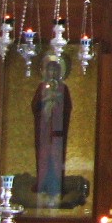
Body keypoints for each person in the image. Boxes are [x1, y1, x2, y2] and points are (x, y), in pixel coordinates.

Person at [31, 58, 72, 204]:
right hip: (43, 131)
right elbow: (35, 107)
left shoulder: (63, 88)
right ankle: (42, 187)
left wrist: (57, 101)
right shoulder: (42, 87)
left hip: (58, 132)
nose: (52, 72)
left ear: (60, 71)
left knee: (56, 158)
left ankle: (56, 189)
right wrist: (46, 99)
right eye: (50, 69)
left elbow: (68, 108)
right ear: (45, 71)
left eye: (55, 69)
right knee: (43, 157)